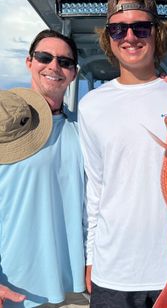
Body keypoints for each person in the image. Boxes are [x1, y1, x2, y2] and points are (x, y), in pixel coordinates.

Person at [78, 0, 167, 307]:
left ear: (156, 33)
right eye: (118, 29)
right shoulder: (91, 105)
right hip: (114, 272)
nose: (130, 36)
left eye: (141, 27)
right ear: (108, 38)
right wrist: (91, 256)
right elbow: (95, 192)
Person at [0, 29, 88, 307]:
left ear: (74, 73)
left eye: (65, 62)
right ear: (29, 62)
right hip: (16, 288)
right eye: (44, 57)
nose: (54, 66)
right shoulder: (4, 127)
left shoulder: (84, 129)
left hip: (79, 288)